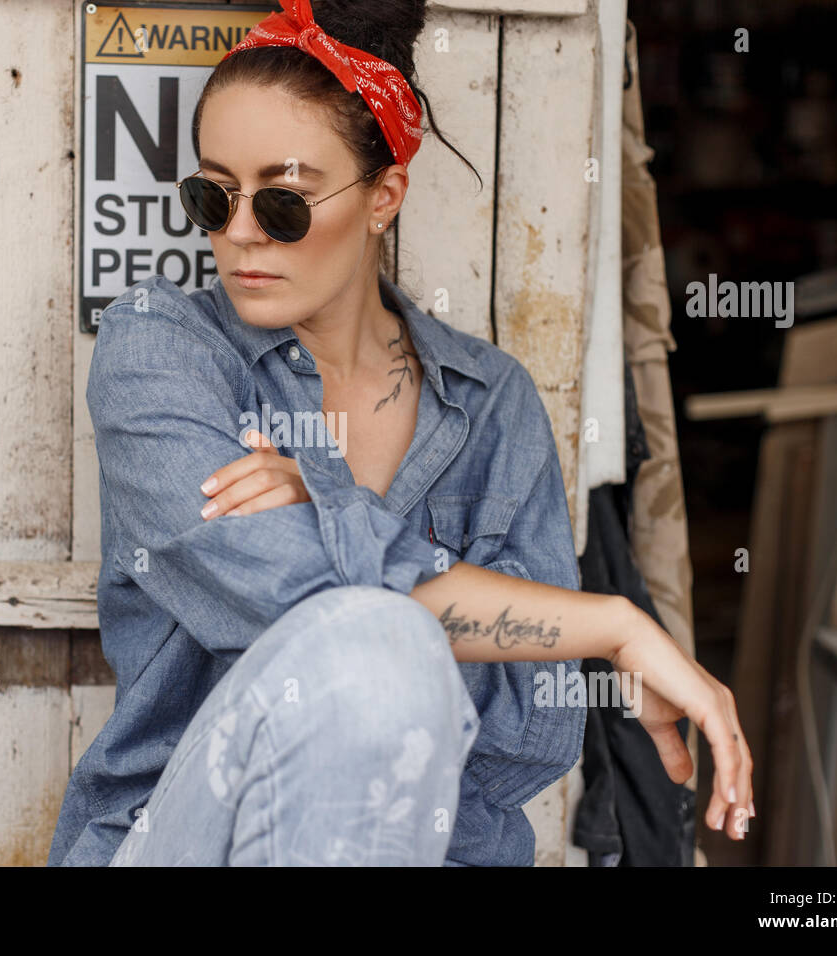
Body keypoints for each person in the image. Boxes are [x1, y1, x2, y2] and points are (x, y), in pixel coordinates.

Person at [48, 0, 753, 867]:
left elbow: (531, 731)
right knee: (375, 652)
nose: (236, 233)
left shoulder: (494, 404)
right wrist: (606, 625)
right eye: (212, 193)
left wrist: (327, 509)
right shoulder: (159, 350)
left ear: (383, 197)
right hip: (190, 838)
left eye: (283, 200)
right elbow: (303, 602)